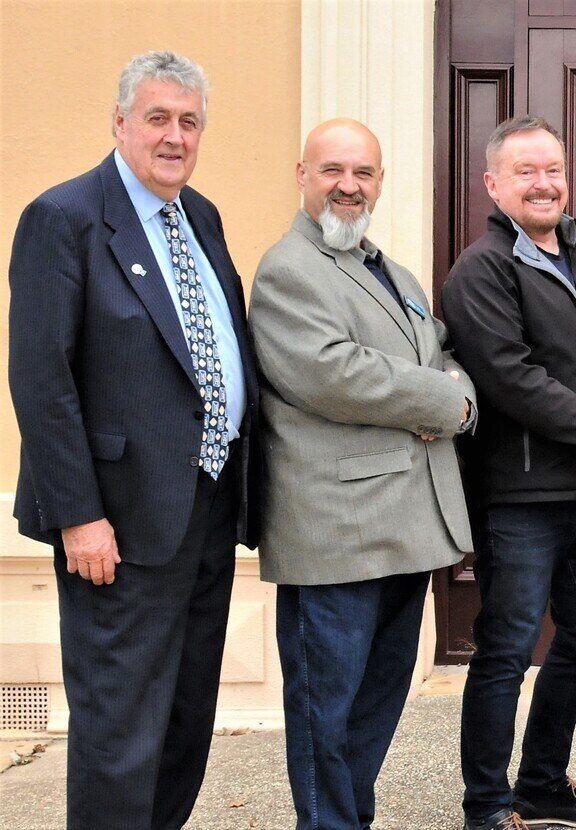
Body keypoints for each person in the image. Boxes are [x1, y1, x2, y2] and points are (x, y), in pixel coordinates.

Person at [7, 51, 259, 829]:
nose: (174, 136)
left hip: (207, 510)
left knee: (185, 720)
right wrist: (79, 514)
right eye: (157, 118)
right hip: (116, 524)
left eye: (189, 121)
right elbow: (40, 381)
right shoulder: (66, 218)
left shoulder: (201, 216)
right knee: (120, 729)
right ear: (119, 122)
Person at [248, 118, 477, 830]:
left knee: (375, 703)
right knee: (326, 709)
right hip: (336, 531)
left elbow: (439, 352)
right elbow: (330, 371)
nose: (349, 186)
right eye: (333, 171)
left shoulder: (393, 271)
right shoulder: (289, 267)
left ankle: (350, 821)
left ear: (380, 182)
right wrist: (447, 399)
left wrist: (454, 395)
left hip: (406, 526)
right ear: (302, 175)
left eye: (364, 173)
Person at [441, 115, 576, 830]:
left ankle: (543, 783)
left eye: (551, 169)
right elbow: (509, 377)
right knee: (507, 645)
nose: (542, 183)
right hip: (517, 498)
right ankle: (486, 805)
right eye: (524, 171)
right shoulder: (481, 270)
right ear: (493, 184)